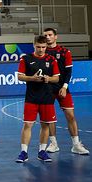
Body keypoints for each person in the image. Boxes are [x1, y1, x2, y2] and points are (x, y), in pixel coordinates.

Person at [44, 28, 90, 155]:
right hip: (47, 89)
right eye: (45, 35)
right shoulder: (42, 51)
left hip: (62, 88)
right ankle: (53, 144)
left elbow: (68, 71)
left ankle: (76, 145)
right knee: (49, 118)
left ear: (55, 37)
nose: (47, 37)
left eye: (50, 35)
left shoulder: (64, 52)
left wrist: (64, 87)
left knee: (70, 115)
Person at [15, 36, 60, 164]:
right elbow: (20, 76)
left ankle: (42, 151)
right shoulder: (26, 59)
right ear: (34, 45)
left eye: (43, 47)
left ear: (46, 46)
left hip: (47, 97)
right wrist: (32, 78)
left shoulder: (51, 60)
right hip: (31, 97)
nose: (41, 50)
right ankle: (24, 152)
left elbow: (56, 78)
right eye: (38, 47)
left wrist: (48, 79)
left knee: (45, 125)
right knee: (28, 124)